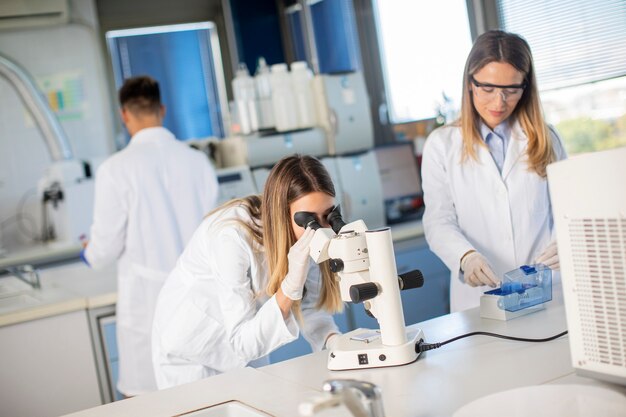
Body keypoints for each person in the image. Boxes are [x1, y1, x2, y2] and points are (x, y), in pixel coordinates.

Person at [152, 154, 341, 389]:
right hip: (192, 355)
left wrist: (335, 343)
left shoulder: (302, 233)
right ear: (282, 213)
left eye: (328, 216)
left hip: (245, 344)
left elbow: (308, 308)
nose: (321, 229)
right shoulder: (232, 238)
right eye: (310, 221)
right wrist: (289, 286)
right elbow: (242, 342)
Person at [81, 76, 219, 396]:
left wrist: (87, 250)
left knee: (151, 400)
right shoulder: (198, 162)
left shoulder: (115, 169)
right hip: (200, 303)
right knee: (205, 397)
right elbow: (214, 233)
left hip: (148, 305)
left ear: (124, 115)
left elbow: (103, 249)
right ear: (163, 109)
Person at [421, 30, 567, 312]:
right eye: (488, 89)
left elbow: (568, 208)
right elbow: (438, 221)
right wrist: (465, 257)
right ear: (470, 84)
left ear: (526, 86)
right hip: (480, 301)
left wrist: (564, 242)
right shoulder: (442, 145)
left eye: (511, 90)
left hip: (548, 292)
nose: (499, 102)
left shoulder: (547, 139)